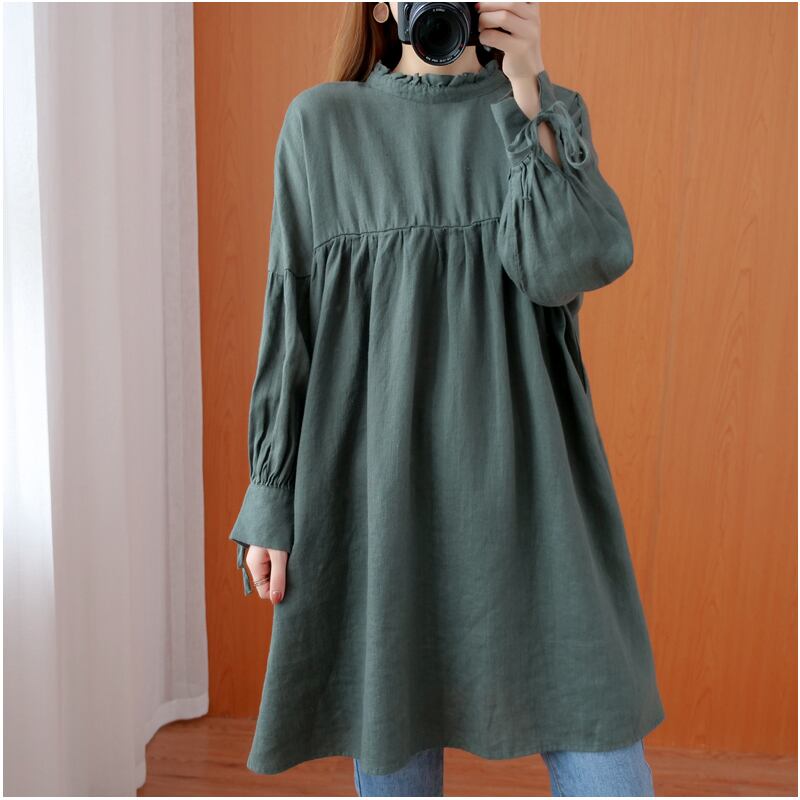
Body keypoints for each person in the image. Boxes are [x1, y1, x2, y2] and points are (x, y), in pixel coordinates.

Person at [228, 1, 665, 796]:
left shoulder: (540, 111)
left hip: (538, 503)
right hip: (380, 503)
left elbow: (574, 263)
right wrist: (270, 494)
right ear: (380, 5)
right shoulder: (322, 126)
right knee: (395, 748)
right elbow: (292, 318)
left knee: (609, 769)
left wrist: (530, 89)